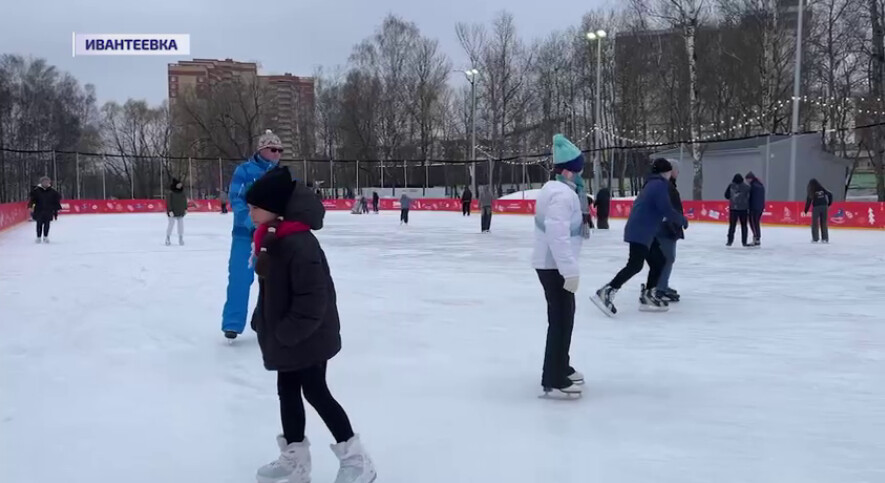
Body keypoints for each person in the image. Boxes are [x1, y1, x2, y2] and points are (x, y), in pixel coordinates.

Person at [245, 167, 376, 483]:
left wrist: (287, 331)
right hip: (291, 336)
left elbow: (313, 299)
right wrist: (262, 319)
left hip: (308, 335)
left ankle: (357, 461)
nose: (249, 212)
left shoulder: (298, 244)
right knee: (287, 391)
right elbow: (274, 290)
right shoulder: (273, 237)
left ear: (274, 208)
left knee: (316, 392)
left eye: (254, 207)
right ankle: (295, 459)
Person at [591, 159, 686, 316]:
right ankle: (606, 291)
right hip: (641, 231)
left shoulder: (652, 183)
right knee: (635, 265)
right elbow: (666, 209)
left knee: (659, 261)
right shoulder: (660, 185)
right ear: (667, 172)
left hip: (645, 230)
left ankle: (649, 295)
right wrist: (681, 220)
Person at [531, 134, 586, 399]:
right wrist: (570, 271)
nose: (579, 176)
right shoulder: (563, 195)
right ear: (566, 171)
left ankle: (559, 365)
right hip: (555, 267)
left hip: (552, 265)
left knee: (564, 318)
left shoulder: (555, 190)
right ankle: (554, 374)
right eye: (577, 171)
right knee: (561, 320)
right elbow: (557, 234)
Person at [221, 129, 283, 341]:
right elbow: (236, 200)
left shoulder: (281, 174)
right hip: (244, 237)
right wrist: (252, 224)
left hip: (273, 237)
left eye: (280, 150)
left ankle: (265, 321)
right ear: (262, 149)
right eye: (273, 149)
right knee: (239, 278)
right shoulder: (244, 171)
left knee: (273, 281)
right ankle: (232, 324)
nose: (277, 154)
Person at [654, 160, 685, 303]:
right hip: (666, 229)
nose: (678, 173)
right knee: (668, 258)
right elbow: (668, 209)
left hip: (667, 228)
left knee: (667, 258)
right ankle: (660, 288)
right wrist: (676, 224)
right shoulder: (666, 186)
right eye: (677, 170)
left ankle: (662, 285)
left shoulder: (668, 185)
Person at [28, 176, 61, 244]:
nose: (46, 183)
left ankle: (46, 236)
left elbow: (57, 199)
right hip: (39, 210)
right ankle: (38, 237)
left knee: (47, 224)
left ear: (49, 182)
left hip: (48, 210)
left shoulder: (52, 191)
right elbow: (32, 200)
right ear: (41, 182)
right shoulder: (36, 190)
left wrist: (56, 208)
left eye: (47, 181)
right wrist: (31, 206)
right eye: (44, 181)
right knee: (39, 224)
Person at [725, 173, 751, 247]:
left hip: (733, 209)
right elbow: (750, 197)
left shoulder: (731, 186)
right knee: (744, 226)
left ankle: (729, 241)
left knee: (732, 226)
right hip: (744, 209)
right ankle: (744, 242)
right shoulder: (746, 187)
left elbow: (726, 196)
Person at [805, 178, 833, 243]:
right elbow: (830, 194)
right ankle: (825, 238)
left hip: (816, 207)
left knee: (814, 223)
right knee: (824, 223)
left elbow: (808, 201)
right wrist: (829, 204)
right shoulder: (822, 189)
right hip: (824, 206)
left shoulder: (811, 191)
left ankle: (815, 238)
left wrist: (806, 210)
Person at [165, 178, 187, 246]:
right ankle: (168, 237)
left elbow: (184, 201)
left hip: (180, 211)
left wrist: (185, 208)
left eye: (181, 184)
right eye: (179, 184)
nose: (180, 185)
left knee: (181, 226)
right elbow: (168, 202)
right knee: (171, 224)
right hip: (172, 212)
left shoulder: (182, 192)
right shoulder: (171, 193)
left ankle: (181, 238)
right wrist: (170, 210)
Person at [745, 172, 765, 247]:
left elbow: (750, 198)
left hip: (754, 208)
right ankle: (757, 238)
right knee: (756, 223)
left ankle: (756, 239)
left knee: (753, 223)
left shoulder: (753, 186)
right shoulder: (760, 185)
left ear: (750, 179)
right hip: (760, 207)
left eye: (747, 180)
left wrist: (748, 207)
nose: (747, 181)